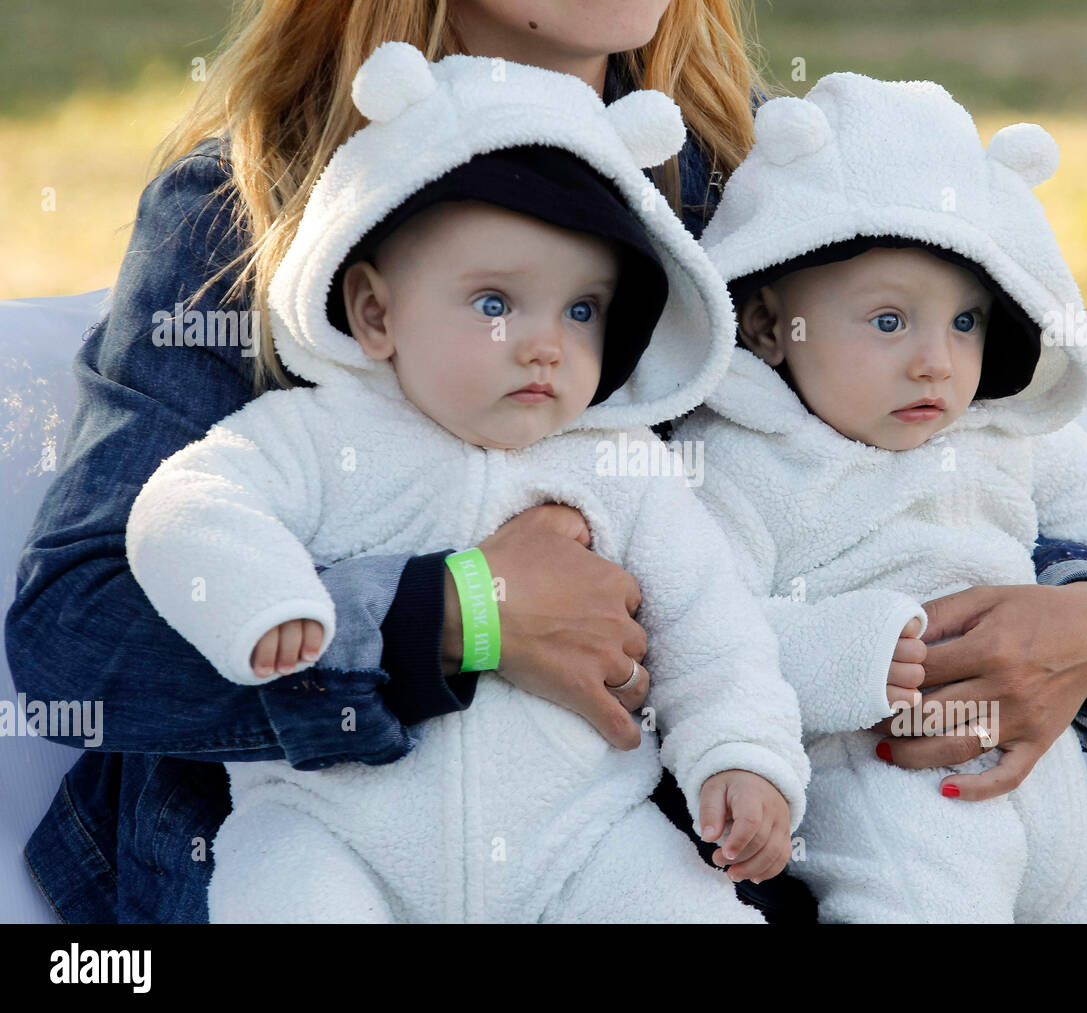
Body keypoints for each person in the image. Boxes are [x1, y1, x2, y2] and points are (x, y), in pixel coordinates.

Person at [6, 0, 1087, 924]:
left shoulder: (762, 180)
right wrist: (452, 611)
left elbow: (963, 441)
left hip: (684, 846)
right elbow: (77, 627)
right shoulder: (251, 198)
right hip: (310, 852)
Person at [123, 45, 809, 923]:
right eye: (495, 303)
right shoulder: (319, 435)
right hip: (335, 825)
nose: (545, 344)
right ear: (376, 312)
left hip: (580, 839)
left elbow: (716, 629)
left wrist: (743, 757)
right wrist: (263, 599)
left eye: (581, 308)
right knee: (288, 893)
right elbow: (186, 505)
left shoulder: (621, 465)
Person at [675, 73, 1087, 922]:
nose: (936, 362)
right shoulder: (740, 461)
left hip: (1059, 795)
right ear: (769, 326)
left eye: (966, 322)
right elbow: (702, 630)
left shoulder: (1000, 434)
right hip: (903, 793)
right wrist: (854, 651)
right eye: (888, 321)